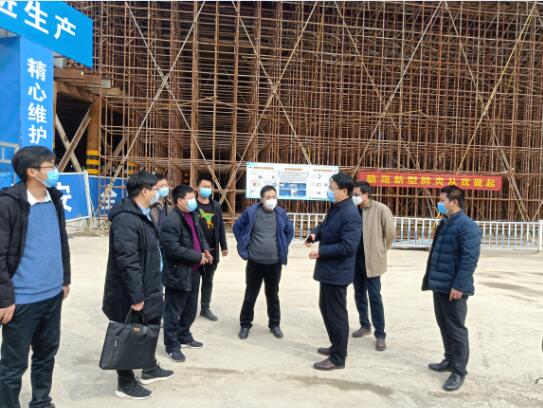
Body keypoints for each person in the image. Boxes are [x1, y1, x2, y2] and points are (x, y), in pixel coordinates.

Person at [0, 146, 71, 408]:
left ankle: (41, 402)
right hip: (22, 299)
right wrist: (5, 298)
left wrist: (65, 279)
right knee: (13, 364)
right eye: (50, 166)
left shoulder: (54, 198)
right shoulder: (8, 204)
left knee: (46, 354)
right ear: (31, 172)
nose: (55, 171)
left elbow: (61, 241)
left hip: (52, 295)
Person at [103, 171, 174, 400]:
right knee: (129, 333)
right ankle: (125, 383)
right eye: (156, 189)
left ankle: (149, 367)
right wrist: (136, 296)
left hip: (150, 284)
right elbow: (128, 261)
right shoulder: (126, 219)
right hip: (132, 291)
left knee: (150, 328)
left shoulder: (143, 214)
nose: (159, 193)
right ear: (145, 191)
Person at [422, 185, 481, 392]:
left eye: (442, 200)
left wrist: (459, 285)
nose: (439, 203)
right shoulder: (446, 223)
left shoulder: (467, 226)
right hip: (440, 284)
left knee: (456, 329)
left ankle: (459, 371)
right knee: (444, 324)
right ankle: (449, 359)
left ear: (454, 202)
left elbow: (469, 259)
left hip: (454, 288)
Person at [307, 172, 361, 371]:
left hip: (338, 272)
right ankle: (335, 345)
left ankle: (338, 358)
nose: (329, 192)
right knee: (325, 308)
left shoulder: (350, 214)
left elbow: (348, 246)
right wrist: (315, 234)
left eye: (332, 189)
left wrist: (322, 252)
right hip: (329, 271)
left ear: (344, 191)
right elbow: (325, 226)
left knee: (337, 314)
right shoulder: (336, 208)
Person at [233, 185, 294, 340]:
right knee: (250, 295)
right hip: (255, 262)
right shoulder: (251, 212)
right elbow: (237, 227)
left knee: (273, 295)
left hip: (274, 263)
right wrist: (244, 244)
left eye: (274, 197)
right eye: (268, 197)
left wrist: (282, 246)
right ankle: (245, 325)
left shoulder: (281, 213)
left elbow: (290, 231)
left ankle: (274, 325)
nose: (271, 200)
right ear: (261, 199)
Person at [160, 185, 212, 362]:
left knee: (190, 308)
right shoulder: (171, 221)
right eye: (190, 198)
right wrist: (197, 256)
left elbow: (200, 236)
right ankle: (171, 346)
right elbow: (173, 249)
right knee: (173, 311)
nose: (193, 201)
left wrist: (205, 250)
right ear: (180, 201)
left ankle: (184, 336)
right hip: (178, 272)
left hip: (194, 271)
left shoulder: (193, 215)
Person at [351, 181, 396, 351]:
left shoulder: (380, 209)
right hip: (355, 259)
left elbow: (390, 233)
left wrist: (381, 250)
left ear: (366, 194)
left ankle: (380, 334)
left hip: (373, 259)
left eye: (356, 194)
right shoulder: (352, 209)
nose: (354, 197)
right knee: (359, 293)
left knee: (375, 296)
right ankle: (365, 325)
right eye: (353, 194)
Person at [195, 175, 228, 321]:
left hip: (212, 251)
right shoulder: (192, 206)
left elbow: (220, 227)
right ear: (197, 187)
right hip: (195, 251)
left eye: (209, 187)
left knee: (208, 281)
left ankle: (205, 308)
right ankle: (189, 308)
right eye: (204, 186)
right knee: (193, 282)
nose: (206, 189)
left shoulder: (216, 206)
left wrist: (224, 246)